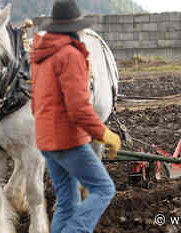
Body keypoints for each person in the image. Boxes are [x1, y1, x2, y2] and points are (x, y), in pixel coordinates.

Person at [30, 0, 120, 232]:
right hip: (67, 140)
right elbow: (78, 107)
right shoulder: (70, 54)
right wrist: (105, 134)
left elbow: (35, 102)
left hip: (46, 140)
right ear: (74, 29)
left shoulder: (40, 56)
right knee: (103, 189)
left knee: (68, 203)